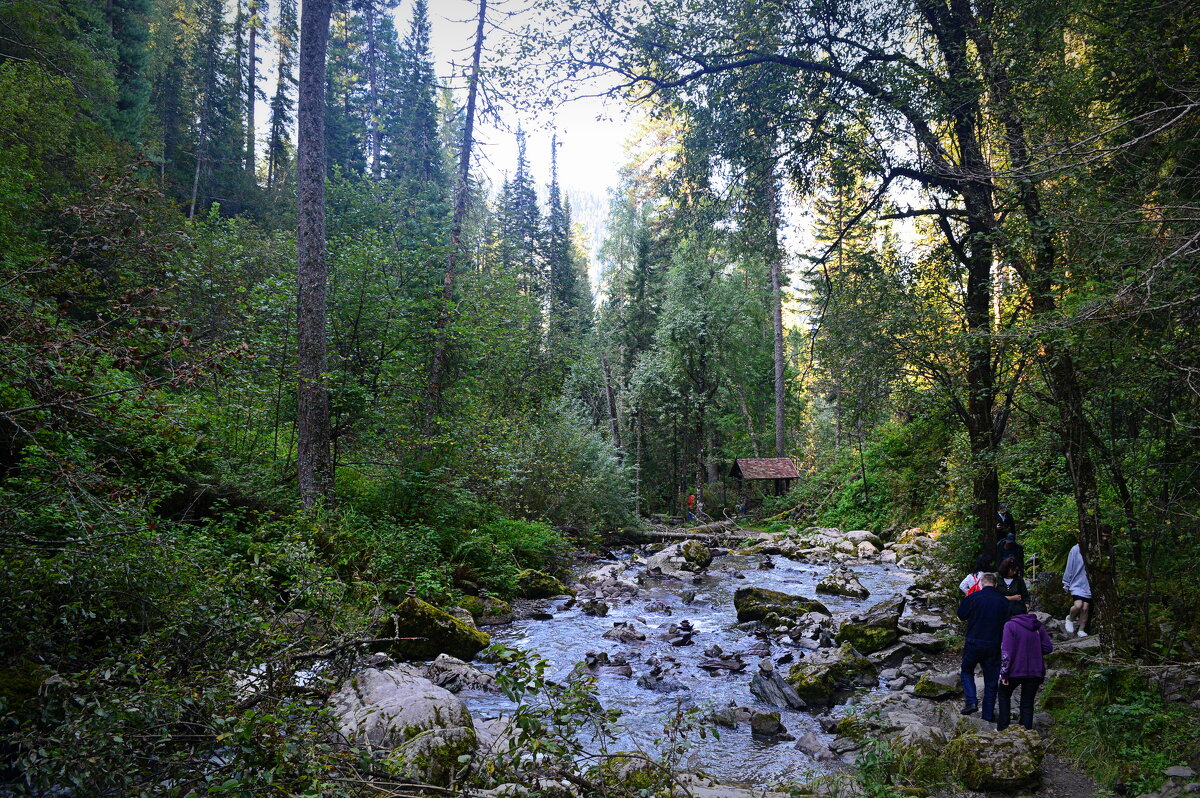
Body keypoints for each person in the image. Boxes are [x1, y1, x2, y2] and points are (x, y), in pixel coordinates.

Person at [957, 572, 1011, 720]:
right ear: (995, 584)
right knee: (991, 681)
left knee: (967, 671)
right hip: (993, 644)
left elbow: (961, 615)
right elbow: (1008, 623)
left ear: (981, 583)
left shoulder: (974, 597)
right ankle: (987, 714)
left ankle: (971, 701)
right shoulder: (1003, 601)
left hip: (973, 641)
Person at [998, 611, 1053, 731]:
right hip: (1035, 671)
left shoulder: (1010, 625)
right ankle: (1026, 733)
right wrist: (1034, 650)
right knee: (1027, 704)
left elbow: (1007, 652)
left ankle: (1003, 728)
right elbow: (1048, 648)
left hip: (1015, 670)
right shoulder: (1037, 625)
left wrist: (1004, 674)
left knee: (1003, 694)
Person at [1062, 542, 1091, 637]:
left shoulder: (1094, 548)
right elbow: (1069, 566)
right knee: (1078, 605)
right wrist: (1066, 583)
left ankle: (1081, 630)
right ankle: (1070, 618)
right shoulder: (1075, 549)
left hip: (1088, 584)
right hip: (1076, 583)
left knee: (1085, 608)